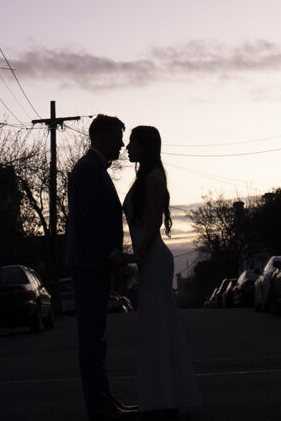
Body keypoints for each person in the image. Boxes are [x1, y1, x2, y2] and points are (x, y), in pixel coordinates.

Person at [65, 114, 139, 421]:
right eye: (118, 137)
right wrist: (109, 253)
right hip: (90, 265)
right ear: (103, 137)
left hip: (95, 265)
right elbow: (84, 219)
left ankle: (104, 399)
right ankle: (99, 405)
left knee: (97, 338)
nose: (122, 144)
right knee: (91, 338)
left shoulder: (95, 169)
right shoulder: (87, 170)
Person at [124, 126, 200, 417]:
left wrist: (137, 255)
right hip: (149, 260)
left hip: (154, 259)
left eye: (132, 142)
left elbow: (154, 221)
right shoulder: (144, 177)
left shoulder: (153, 179)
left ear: (145, 146)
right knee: (156, 327)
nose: (128, 147)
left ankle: (165, 398)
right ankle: (163, 395)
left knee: (158, 327)